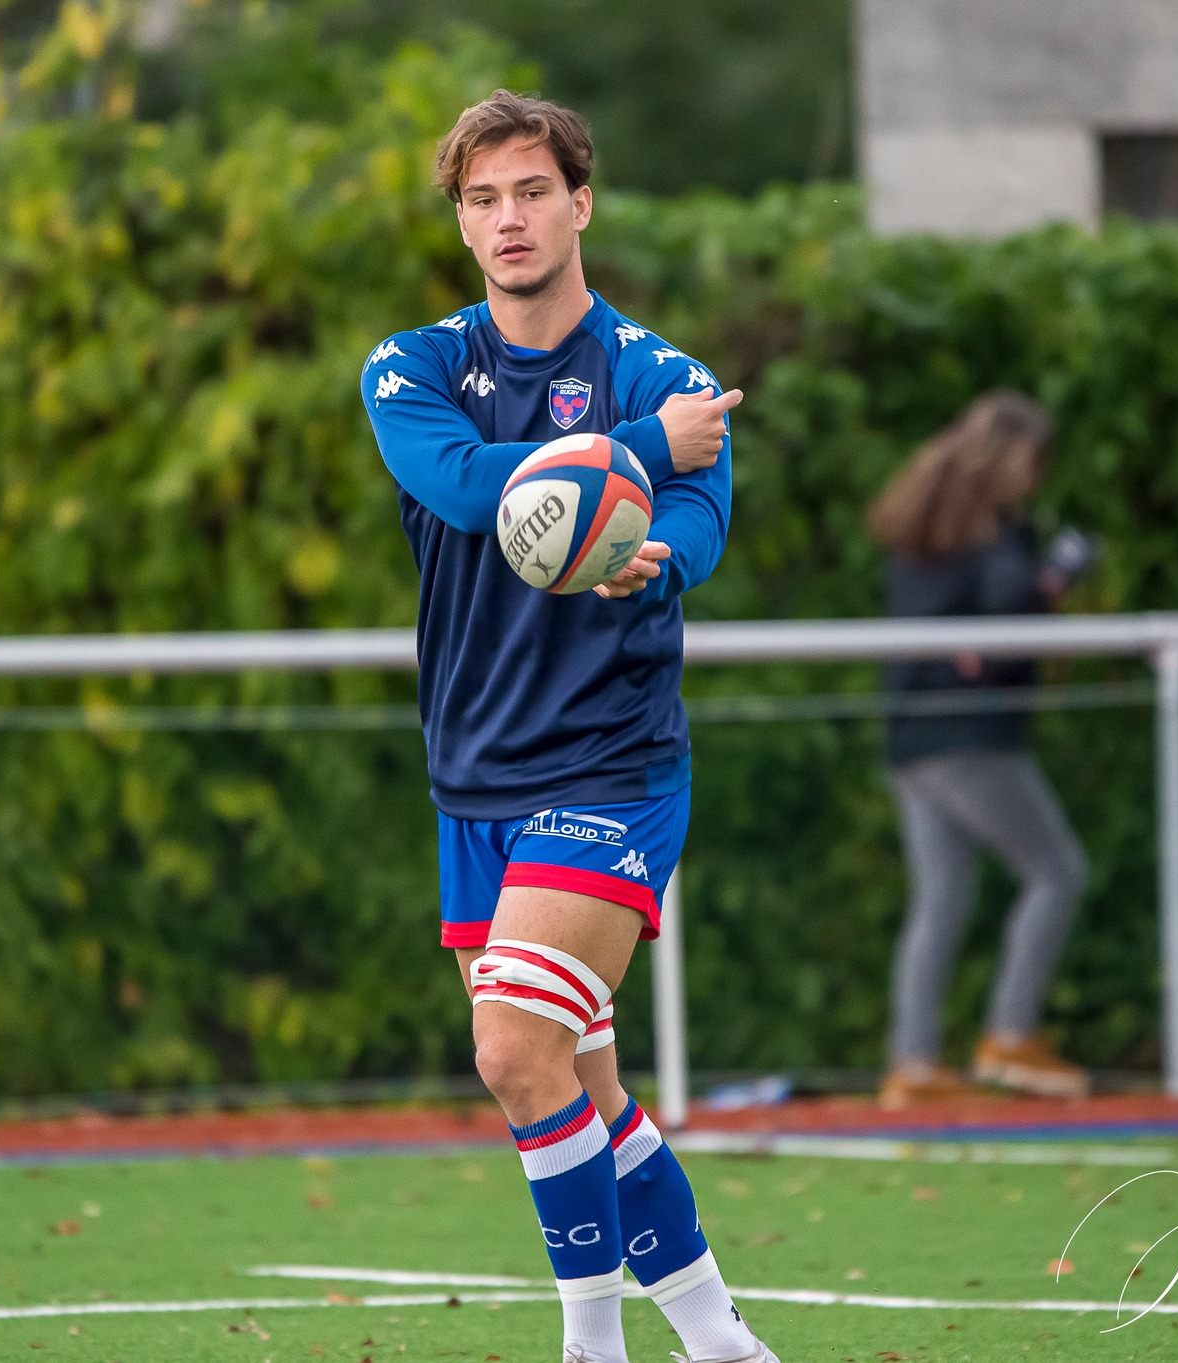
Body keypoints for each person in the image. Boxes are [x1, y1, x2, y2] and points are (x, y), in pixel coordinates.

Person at [359, 91, 774, 1363]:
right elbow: (474, 488)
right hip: (471, 774)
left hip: (608, 763)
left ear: (579, 202)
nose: (507, 219)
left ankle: (591, 1350)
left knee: (510, 1050)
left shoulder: (660, 367)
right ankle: (719, 1340)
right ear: (461, 225)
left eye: (530, 191)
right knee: (578, 1086)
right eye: (481, 199)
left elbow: (698, 518)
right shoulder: (412, 368)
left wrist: (656, 551)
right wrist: (645, 447)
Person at [866, 392, 1093, 1111]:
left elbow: (964, 635)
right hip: (970, 738)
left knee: (942, 897)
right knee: (1057, 871)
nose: (1037, 476)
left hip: (913, 737)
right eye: (1033, 462)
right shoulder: (989, 533)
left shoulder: (926, 522)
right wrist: (1053, 579)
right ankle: (1009, 1033)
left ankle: (914, 1058)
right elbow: (1001, 627)